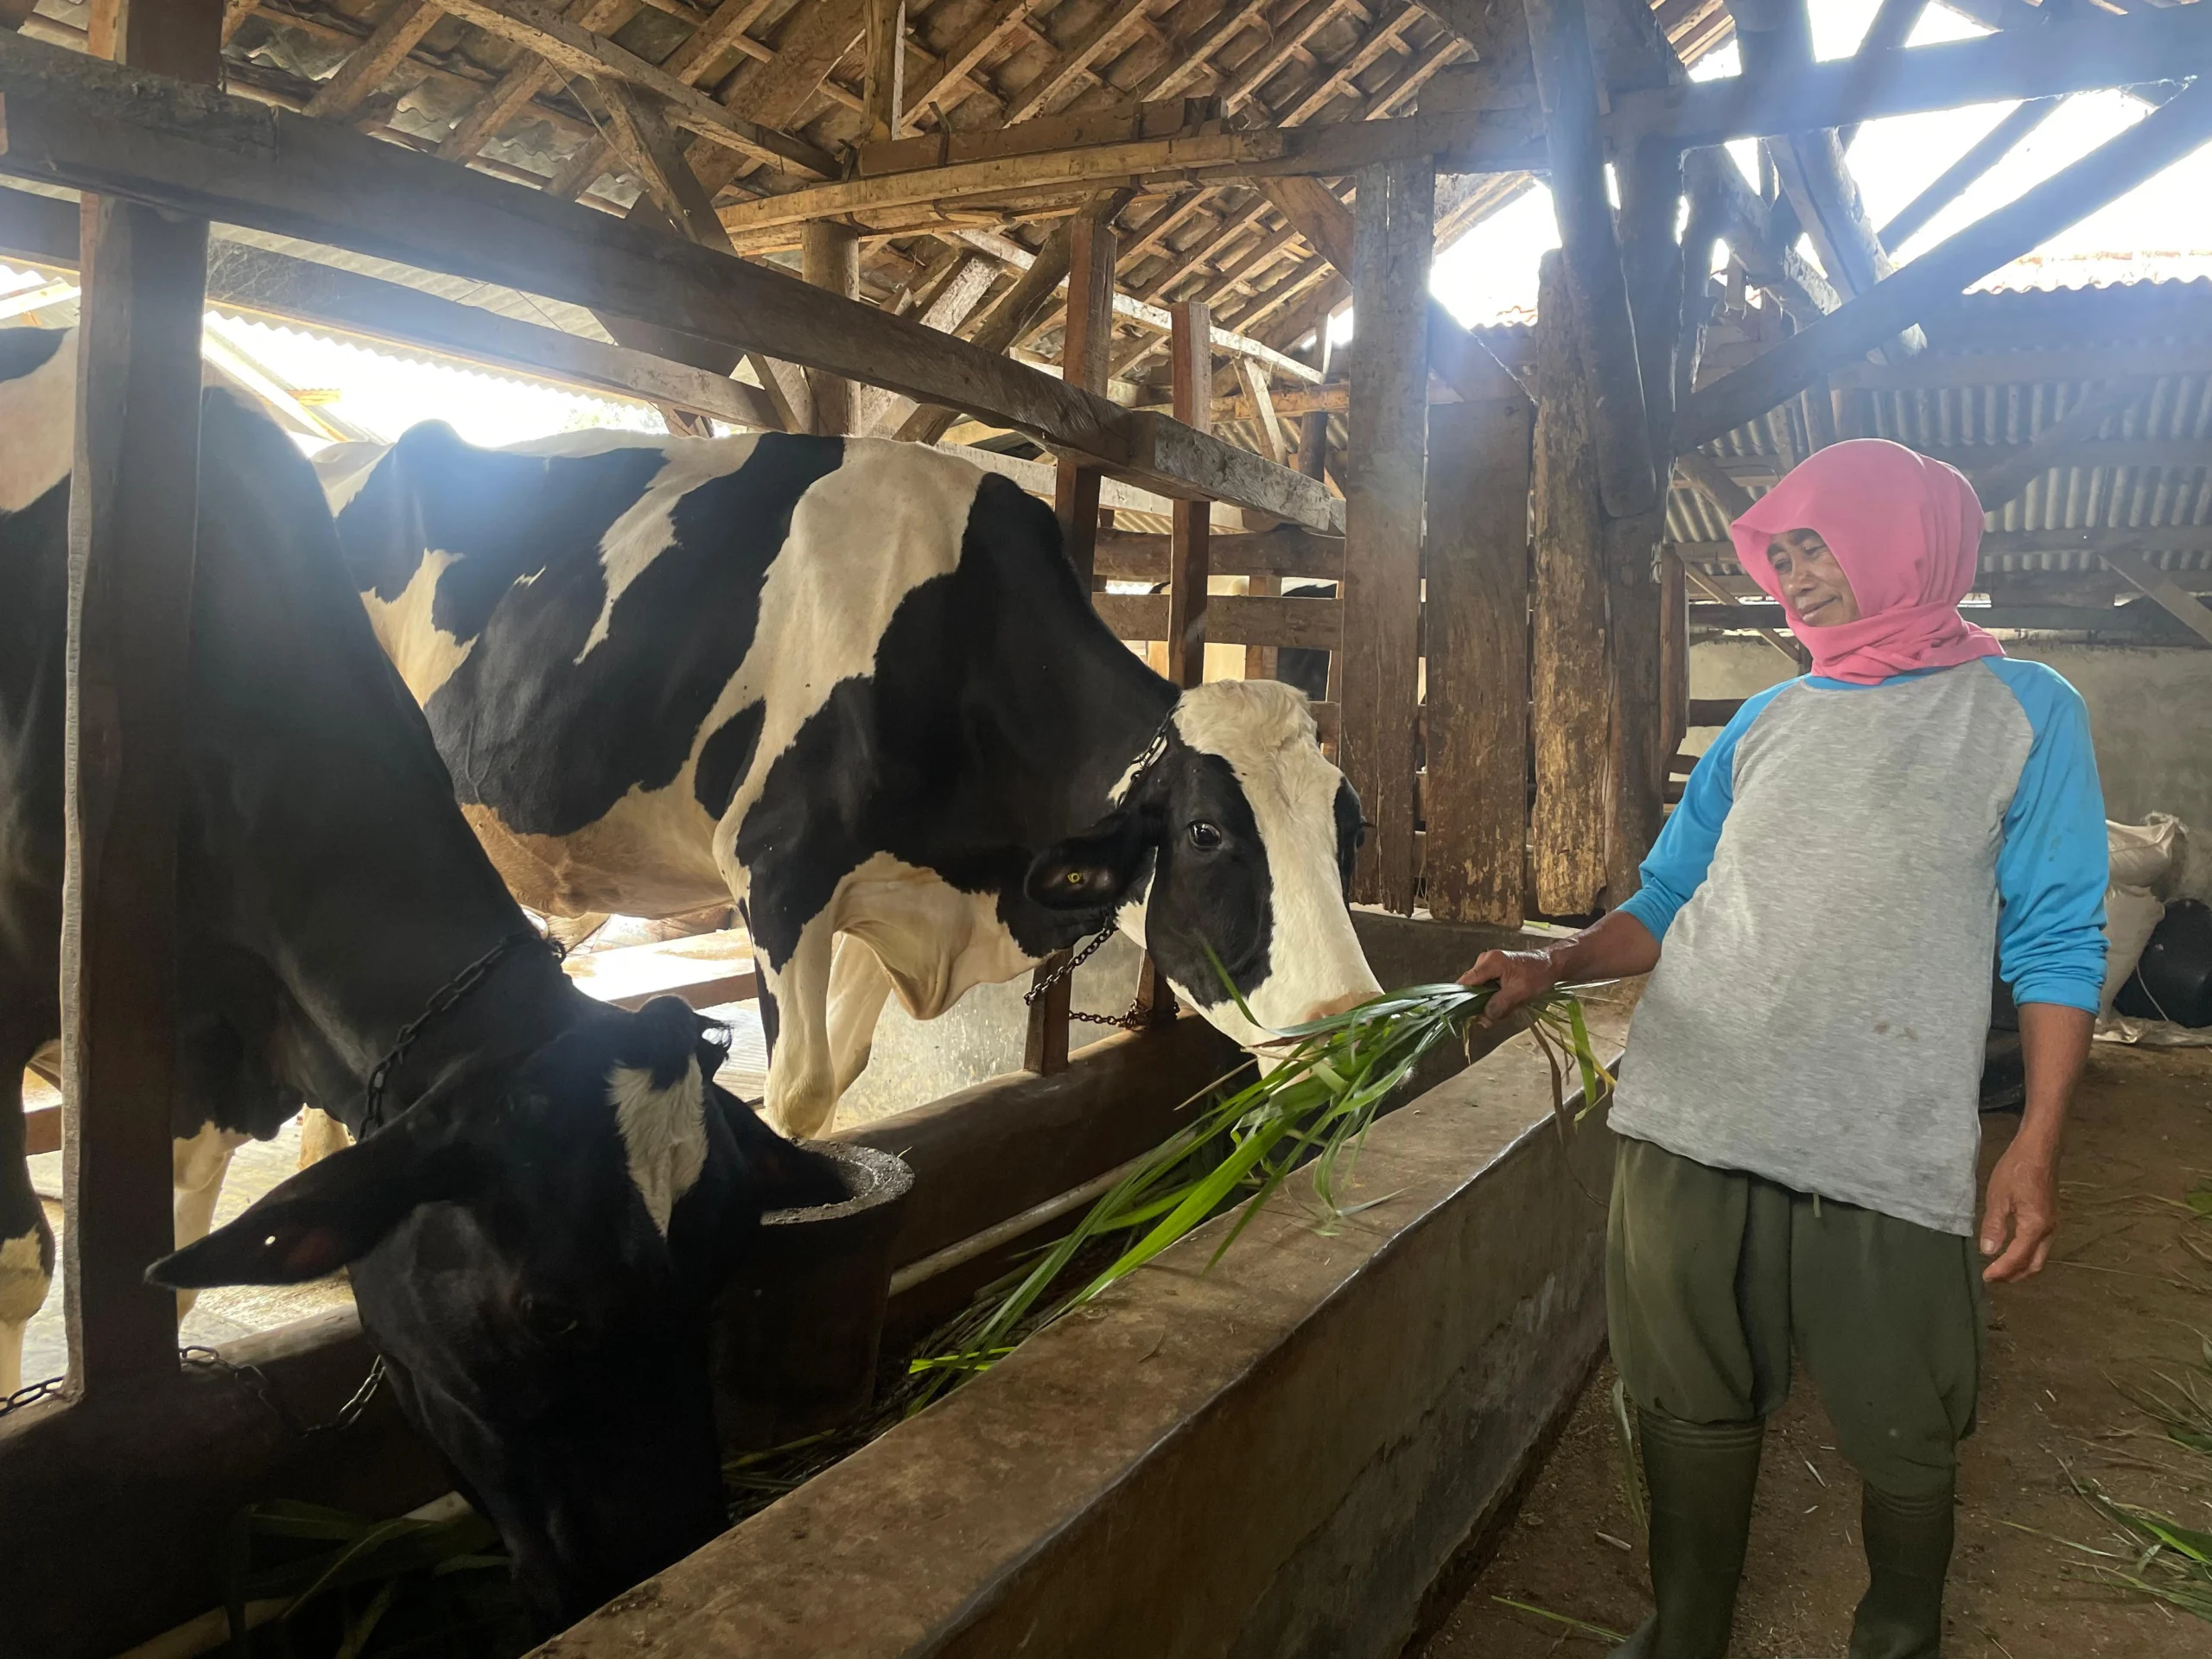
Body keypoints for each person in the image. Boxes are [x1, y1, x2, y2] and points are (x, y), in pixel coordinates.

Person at [1465, 439, 2107, 1659]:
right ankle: (1685, 1629)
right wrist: (1555, 965)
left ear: (1905, 542)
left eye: (1820, 547)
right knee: (1684, 1384)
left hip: (1881, 1131)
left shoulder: (2024, 713)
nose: (1794, 578)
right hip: (1695, 1107)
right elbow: (1662, 903)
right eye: (1784, 554)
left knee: (1906, 1406)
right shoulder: (1766, 719)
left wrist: (2035, 1142)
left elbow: (2061, 941)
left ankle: (1898, 1633)